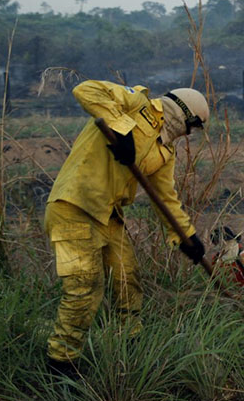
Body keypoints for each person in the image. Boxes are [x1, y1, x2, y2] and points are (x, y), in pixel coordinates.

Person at [44, 80, 209, 377]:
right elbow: (86, 90)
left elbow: (165, 200)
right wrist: (121, 129)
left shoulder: (165, 152)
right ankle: (61, 364)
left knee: (127, 281)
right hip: (73, 207)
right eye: (192, 126)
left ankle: (129, 351)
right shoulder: (135, 104)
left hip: (109, 217)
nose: (188, 134)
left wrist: (187, 237)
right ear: (184, 114)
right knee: (84, 288)